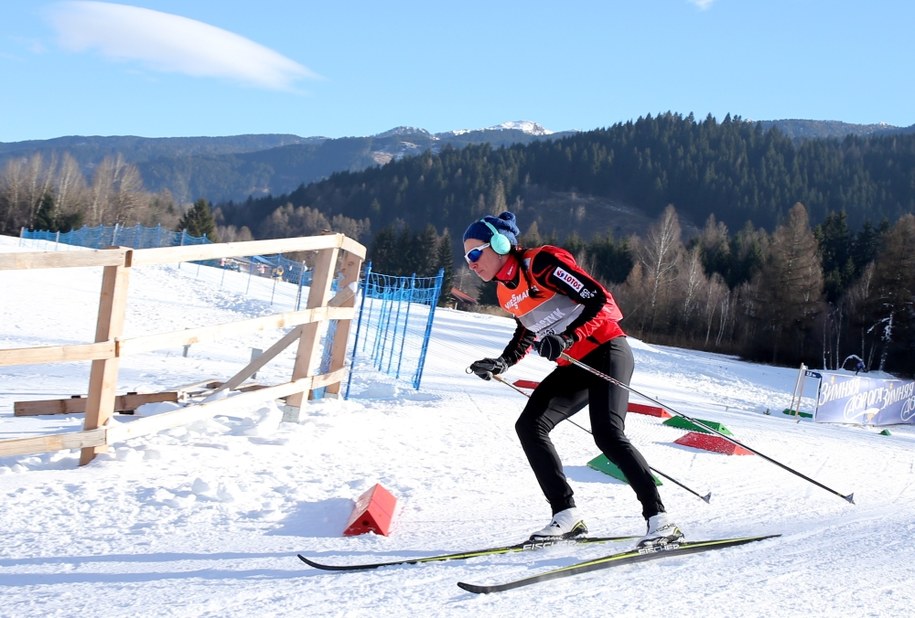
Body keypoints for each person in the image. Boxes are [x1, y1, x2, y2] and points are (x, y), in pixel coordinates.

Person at [464, 211, 683, 548]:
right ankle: (566, 516)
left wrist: (567, 337)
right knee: (530, 426)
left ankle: (661, 520)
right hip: (574, 365)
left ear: (500, 244)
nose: (471, 264)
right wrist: (502, 362)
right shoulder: (506, 293)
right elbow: (527, 330)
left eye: (475, 254)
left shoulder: (542, 263)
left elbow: (600, 299)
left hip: (607, 350)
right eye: (467, 258)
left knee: (608, 436)